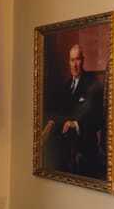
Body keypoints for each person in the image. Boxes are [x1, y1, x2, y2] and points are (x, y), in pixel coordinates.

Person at [41, 42, 106, 178]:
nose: (75, 65)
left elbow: (98, 118)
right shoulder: (66, 86)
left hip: (85, 151)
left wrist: (76, 124)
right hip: (66, 149)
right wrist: (52, 122)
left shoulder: (93, 84)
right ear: (69, 62)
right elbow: (61, 112)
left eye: (77, 59)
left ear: (83, 61)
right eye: (72, 60)